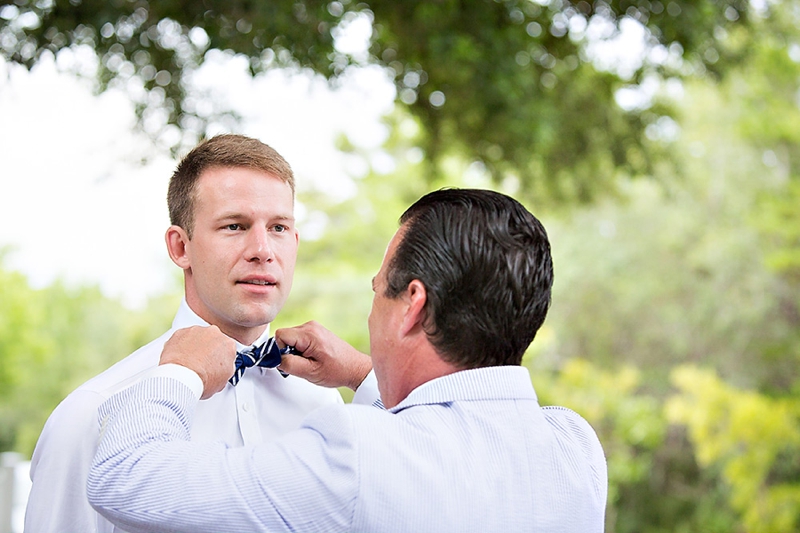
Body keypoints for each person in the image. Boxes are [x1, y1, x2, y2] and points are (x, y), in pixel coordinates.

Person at [87, 188, 608, 533]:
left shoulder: (355, 451)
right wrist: (363, 372)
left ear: (413, 306)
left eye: (379, 291)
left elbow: (124, 476)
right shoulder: (576, 448)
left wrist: (177, 370)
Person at [24, 134, 344, 533]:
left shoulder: (325, 403)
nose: (263, 249)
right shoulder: (93, 413)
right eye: (234, 225)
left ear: (294, 243)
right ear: (180, 247)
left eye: (278, 227)